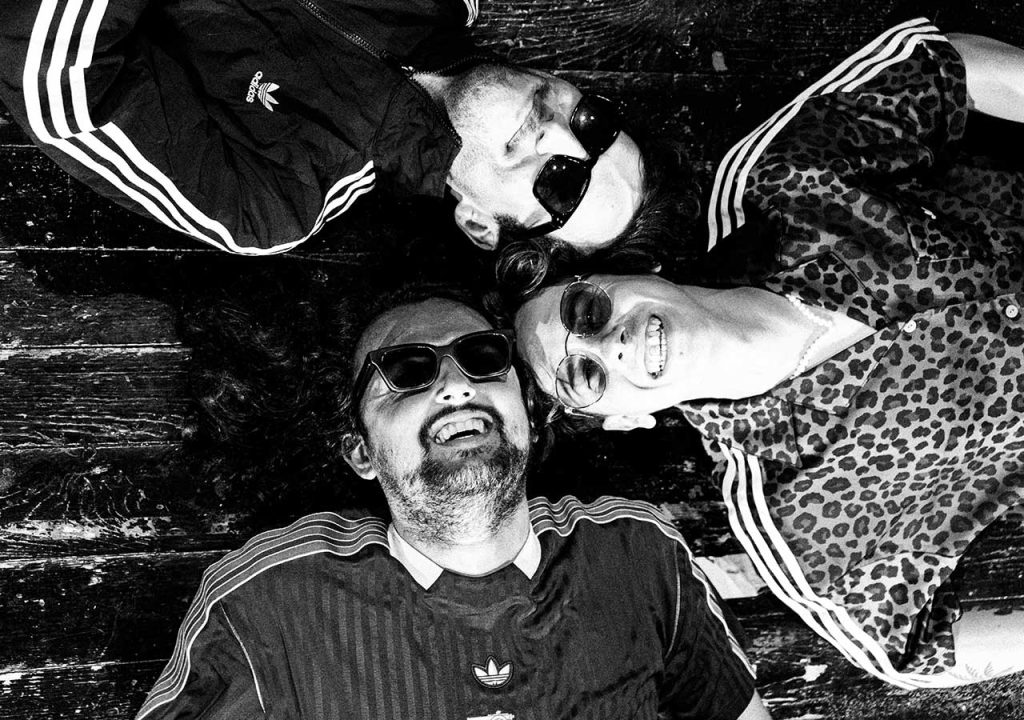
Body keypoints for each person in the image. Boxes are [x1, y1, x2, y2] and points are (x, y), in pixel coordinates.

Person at [506, 19, 1024, 689]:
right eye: (586, 375)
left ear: (626, 272)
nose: (613, 344)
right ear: (625, 420)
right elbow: (912, 655)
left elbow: (946, 67)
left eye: (586, 312)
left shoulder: (777, 184)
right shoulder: (793, 516)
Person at [135, 289, 771, 719]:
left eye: (483, 357)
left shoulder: (640, 555)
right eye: (407, 371)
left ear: (527, 413)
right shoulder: (265, 606)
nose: (456, 383)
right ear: (360, 451)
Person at [0, 0, 645, 255]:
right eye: (595, 123)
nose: (562, 137)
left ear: (480, 223)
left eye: (563, 185)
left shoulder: (278, 201)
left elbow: (58, 85)